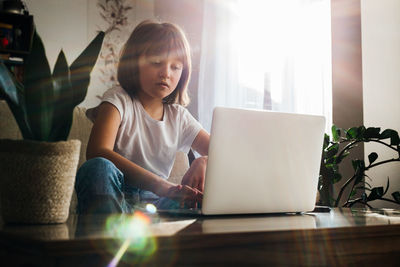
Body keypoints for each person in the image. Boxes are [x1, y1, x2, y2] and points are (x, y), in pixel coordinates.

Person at [75, 20, 210, 214]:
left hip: (157, 205)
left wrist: (203, 161)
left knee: (198, 199)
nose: (166, 73)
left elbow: (225, 155)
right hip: (116, 195)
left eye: (176, 67)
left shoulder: (179, 116)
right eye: (157, 63)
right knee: (97, 168)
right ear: (134, 62)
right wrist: (161, 185)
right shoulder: (118, 100)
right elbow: (97, 151)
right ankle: (112, 234)